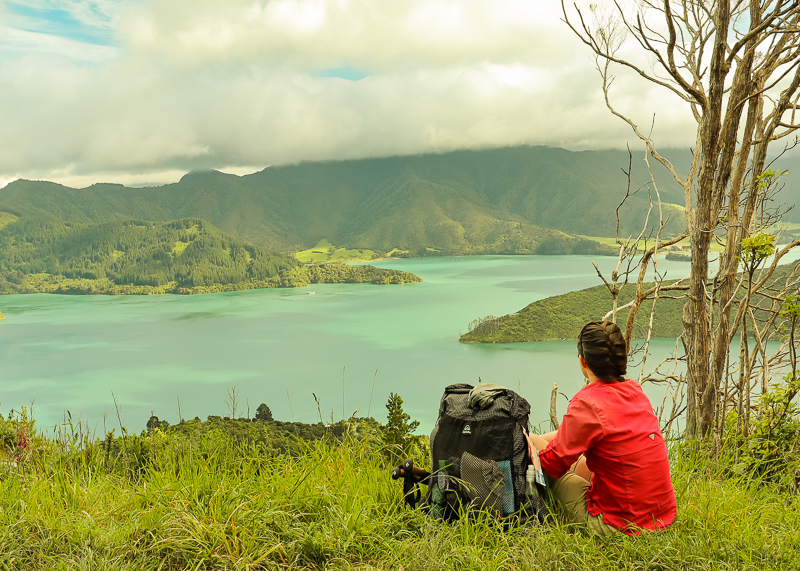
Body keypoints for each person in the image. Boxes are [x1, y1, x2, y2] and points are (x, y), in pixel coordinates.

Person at [528, 321, 677, 535]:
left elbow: (552, 466)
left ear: (583, 361)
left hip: (622, 526)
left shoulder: (587, 402)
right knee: (575, 460)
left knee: (534, 445)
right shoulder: (634, 390)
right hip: (661, 517)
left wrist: (532, 442)